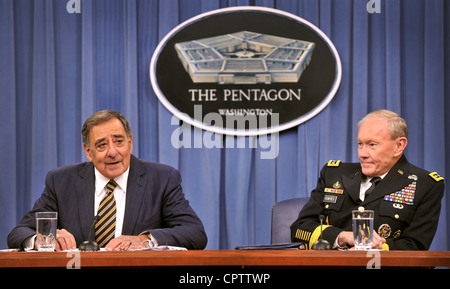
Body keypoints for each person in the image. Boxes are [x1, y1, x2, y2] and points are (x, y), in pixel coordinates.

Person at [8, 110, 207, 251]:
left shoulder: (162, 179)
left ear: (130, 143)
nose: (112, 152)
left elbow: (195, 233)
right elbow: (19, 233)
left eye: (119, 142)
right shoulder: (61, 181)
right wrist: (43, 239)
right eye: (102, 145)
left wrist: (146, 239)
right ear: (88, 152)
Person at [290, 110, 445, 250]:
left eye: (372, 145)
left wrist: (378, 247)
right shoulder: (333, 174)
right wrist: (342, 236)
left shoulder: (425, 185)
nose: (362, 154)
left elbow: (415, 247)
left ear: (399, 145)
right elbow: (299, 229)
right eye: (360, 144)